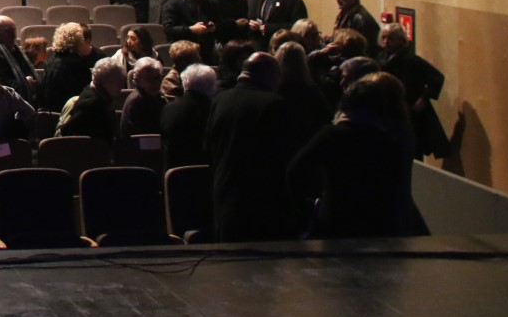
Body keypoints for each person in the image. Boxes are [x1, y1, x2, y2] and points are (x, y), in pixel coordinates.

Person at [287, 73, 428, 239]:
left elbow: (295, 170)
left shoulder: (333, 135)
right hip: (380, 225)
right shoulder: (390, 139)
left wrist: (307, 208)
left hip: (336, 223)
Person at [206, 52, 298, 242]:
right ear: (272, 75)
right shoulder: (274, 104)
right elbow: (284, 156)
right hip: (262, 202)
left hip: (225, 195)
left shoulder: (219, 100)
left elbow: (207, 147)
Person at [378, 23, 449, 159]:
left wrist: (423, 99)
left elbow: (437, 78)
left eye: (391, 38)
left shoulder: (411, 60)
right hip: (388, 110)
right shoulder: (381, 58)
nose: (386, 42)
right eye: (384, 37)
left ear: (401, 40)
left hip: (409, 111)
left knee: (412, 151)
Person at [161, 63, 217, 168]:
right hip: (207, 172)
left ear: (184, 84)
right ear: (211, 87)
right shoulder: (213, 110)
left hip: (174, 172)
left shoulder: (168, 108)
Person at [56, 57, 124, 141]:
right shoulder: (92, 104)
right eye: (118, 81)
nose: (121, 86)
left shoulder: (96, 94)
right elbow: (67, 132)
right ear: (104, 80)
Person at [38, 21, 95, 112]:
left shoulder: (50, 61)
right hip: (70, 113)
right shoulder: (78, 65)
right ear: (78, 42)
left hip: (51, 113)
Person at [0, 15, 37, 101]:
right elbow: (1, 86)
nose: (14, 36)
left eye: (14, 31)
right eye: (10, 32)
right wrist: (26, 82)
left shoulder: (11, 50)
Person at [118, 56, 165, 137]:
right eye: (149, 79)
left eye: (158, 78)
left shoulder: (158, 97)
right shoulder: (136, 102)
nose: (156, 83)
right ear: (137, 81)